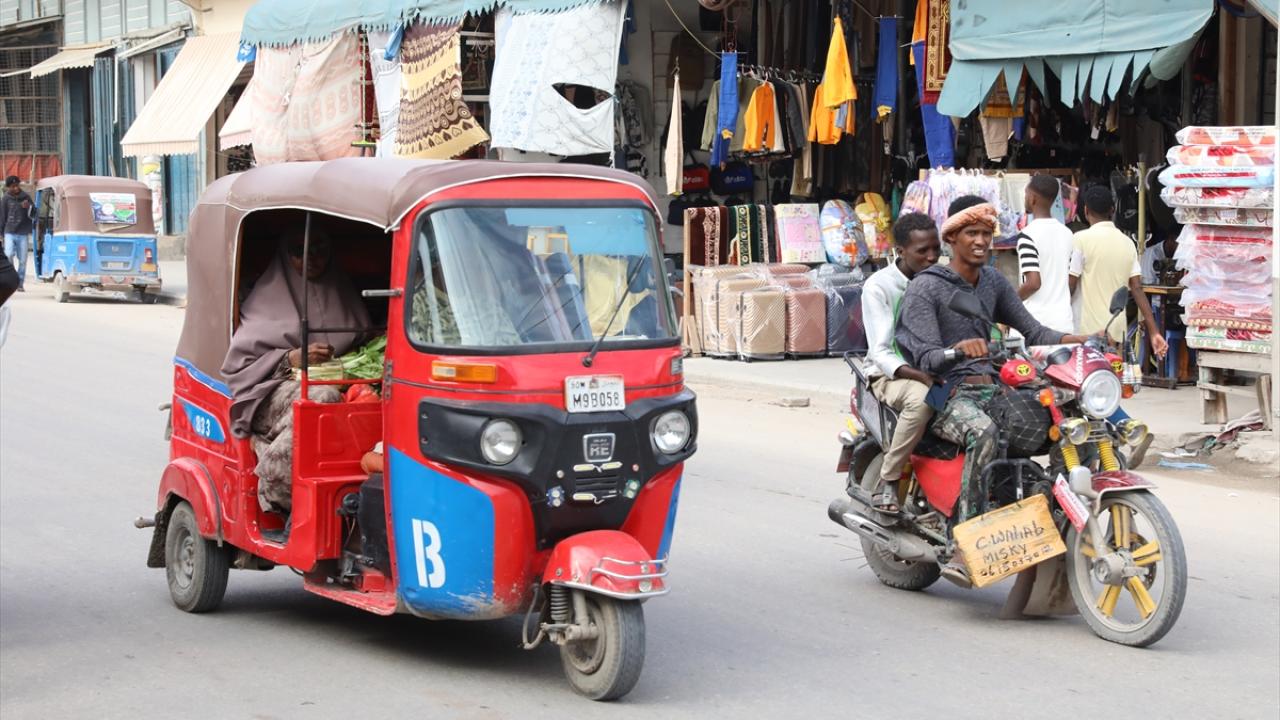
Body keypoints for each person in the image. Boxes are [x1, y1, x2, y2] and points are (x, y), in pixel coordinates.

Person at [896, 197, 1091, 547]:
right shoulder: (926, 287)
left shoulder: (993, 281)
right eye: (971, 233)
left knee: (1063, 423)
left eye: (986, 234)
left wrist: (1078, 339)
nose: (981, 241)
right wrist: (959, 349)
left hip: (993, 387)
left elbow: (1034, 331)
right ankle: (965, 538)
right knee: (984, 434)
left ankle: (1048, 514)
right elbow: (925, 357)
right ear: (951, 238)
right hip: (945, 391)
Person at [221, 229, 370, 517]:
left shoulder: (341, 289)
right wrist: (292, 357)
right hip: (266, 392)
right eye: (298, 251)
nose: (310, 258)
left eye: (319, 249)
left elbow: (361, 338)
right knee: (322, 398)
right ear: (285, 255)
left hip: (337, 380)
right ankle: (276, 486)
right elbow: (239, 368)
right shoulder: (266, 299)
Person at [861, 212, 942, 514]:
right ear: (901, 251)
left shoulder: (942, 279)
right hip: (890, 375)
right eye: (922, 251)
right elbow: (881, 352)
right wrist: (921, 376)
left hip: (934, 368)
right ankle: (890, 479)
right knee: (923, 401)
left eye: (936, 248)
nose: (932, 257)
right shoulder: (879, 286)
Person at [1070, 186, 1168, 357]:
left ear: (1085, 210)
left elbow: (1070, 285)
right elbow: (1137, 288)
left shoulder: (1080, 239)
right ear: (1113, 210)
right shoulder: (1127, 243)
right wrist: (1154, 331)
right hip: (1115, 329)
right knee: (1115, 371)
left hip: (1086, 331)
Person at [1014, 175, 1075, 333]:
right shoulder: (1068, 234)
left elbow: (1033, 283)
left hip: (1034, 325)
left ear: (1033, 198)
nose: (1025, 198)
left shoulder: (1027, 235)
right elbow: (1070, 281)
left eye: (1026, 194)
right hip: (1063, 324)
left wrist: (1009, 303)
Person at [2, 176, 34, 293]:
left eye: (17, 186)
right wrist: (1, 234)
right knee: (8, 254)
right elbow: (2, 216)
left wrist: (28, 207)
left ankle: (20, 284)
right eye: (13, 186)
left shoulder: (26, 197)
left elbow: (34, 212)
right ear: (8, 187)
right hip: (9, 232)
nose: (16, 188)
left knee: (23, 260)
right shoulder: (5, 199)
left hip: (22, 232)